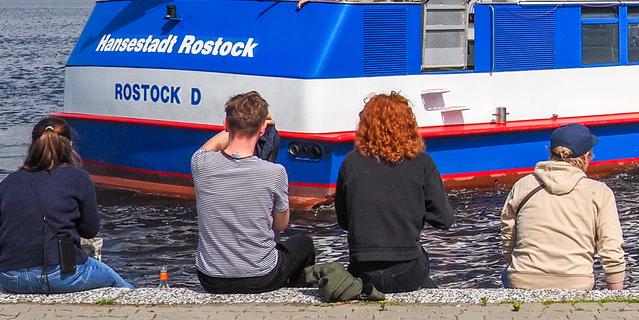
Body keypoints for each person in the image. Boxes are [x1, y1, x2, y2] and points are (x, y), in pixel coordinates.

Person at [0, 118, 133, 293]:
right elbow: (90, 230)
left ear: (33, 146)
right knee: (120, 285)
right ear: (69, 145)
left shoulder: (8, 182)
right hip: (60, 275)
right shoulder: (79, 178)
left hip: (11, 277)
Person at [192, 92, 315, 294]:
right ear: (263, 128)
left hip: (211, 278)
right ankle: (294, 297)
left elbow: (208, 148)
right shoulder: (275, 173)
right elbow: (281, 225)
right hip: (261, 277)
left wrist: (233, 127)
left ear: (225, 124)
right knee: (304, 243)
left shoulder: (201, 163)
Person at [334, 93, 452, 294]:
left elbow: (344, 221)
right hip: (406, 270)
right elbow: (444, 220)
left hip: (363, 271)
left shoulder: (350, 163)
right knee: (421, 260)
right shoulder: (422, 163)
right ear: (408, 126)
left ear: (365, 127)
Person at [500, 124, 625, 290]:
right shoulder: (599, 192)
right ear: (587, 156)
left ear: (550, 153)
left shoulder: (523, 185)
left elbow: (509, 235)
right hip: (576, 282)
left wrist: (518, 264)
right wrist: (616, 295)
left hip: (523, 279)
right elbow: (610, 247)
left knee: (505, 275)